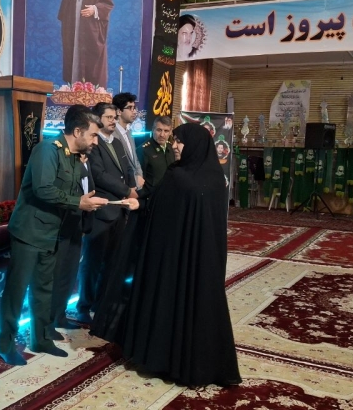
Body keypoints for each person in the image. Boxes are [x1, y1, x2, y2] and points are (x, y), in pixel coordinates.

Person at [91, 123, 241, 387]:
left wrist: (141, 206)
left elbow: (158, 211)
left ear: (193, 145)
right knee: (200, 305)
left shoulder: (178, 177)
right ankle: (200, 363)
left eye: (179, 141)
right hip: (205, 260)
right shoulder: (217, 179)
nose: (174, 145)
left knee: (169, 303)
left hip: (173, 259)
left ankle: (163, 359)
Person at [0, 106, 109, 365]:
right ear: (77, 131)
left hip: (52, 233)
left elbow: (74, 189)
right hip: (29, 232)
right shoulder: (48, 149)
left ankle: (41, 339)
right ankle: (5, 344)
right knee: (16, 292)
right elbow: (43, 189)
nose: (95, 141)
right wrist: (78, 202)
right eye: (93, 135)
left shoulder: (74, 156)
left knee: (44, 290)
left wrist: (85, 200)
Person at [76, 102, 137, 323]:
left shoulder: (117, 143)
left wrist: (132, 188)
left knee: (112, 262)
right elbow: (99, 175)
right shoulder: (93, 143)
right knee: (92, 263)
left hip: (120, 211)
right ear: (98, 119)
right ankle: (84, 306)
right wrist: (127, 191)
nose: (113, 120)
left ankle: (101, 305)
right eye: (109, 117)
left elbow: (128, 169)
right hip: (101, 211)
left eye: (114, 117)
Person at [49, 143, 95, 339]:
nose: (94, 141)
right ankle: (47, 322)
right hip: (61, 226)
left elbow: (88, 189)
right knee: (56, 276)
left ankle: (60, 316)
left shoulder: (85, 162)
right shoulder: (61, 158)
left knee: (69, 275)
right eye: (92, 135)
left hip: (77, 224)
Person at [58, 0, 113, 87]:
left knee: (92, 66)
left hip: (91, 32)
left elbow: (108, 4)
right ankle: (74, 88)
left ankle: (91, 91)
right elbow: (65, 6)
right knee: (73, 58)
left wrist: (95, 9)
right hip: (74, 29)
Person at [136, 116, 174, 200]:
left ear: (170, 132)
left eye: (166, 131)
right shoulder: (143, 150)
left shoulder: (171, 148)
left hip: (169, 196)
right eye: (159, 130)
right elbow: (139, 179)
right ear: (153, 129)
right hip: (151, 198)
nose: (162, 135)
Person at [113, 92, 144, 189]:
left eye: (134, 108)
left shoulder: (129, 132)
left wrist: (139, 177)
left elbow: (135, 160)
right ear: (119, 111)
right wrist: (134, 180)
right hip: (122, 186)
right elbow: (118, 165)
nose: (134, 112)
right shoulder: (112, 134)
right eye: (130, 108)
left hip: (136, 186)